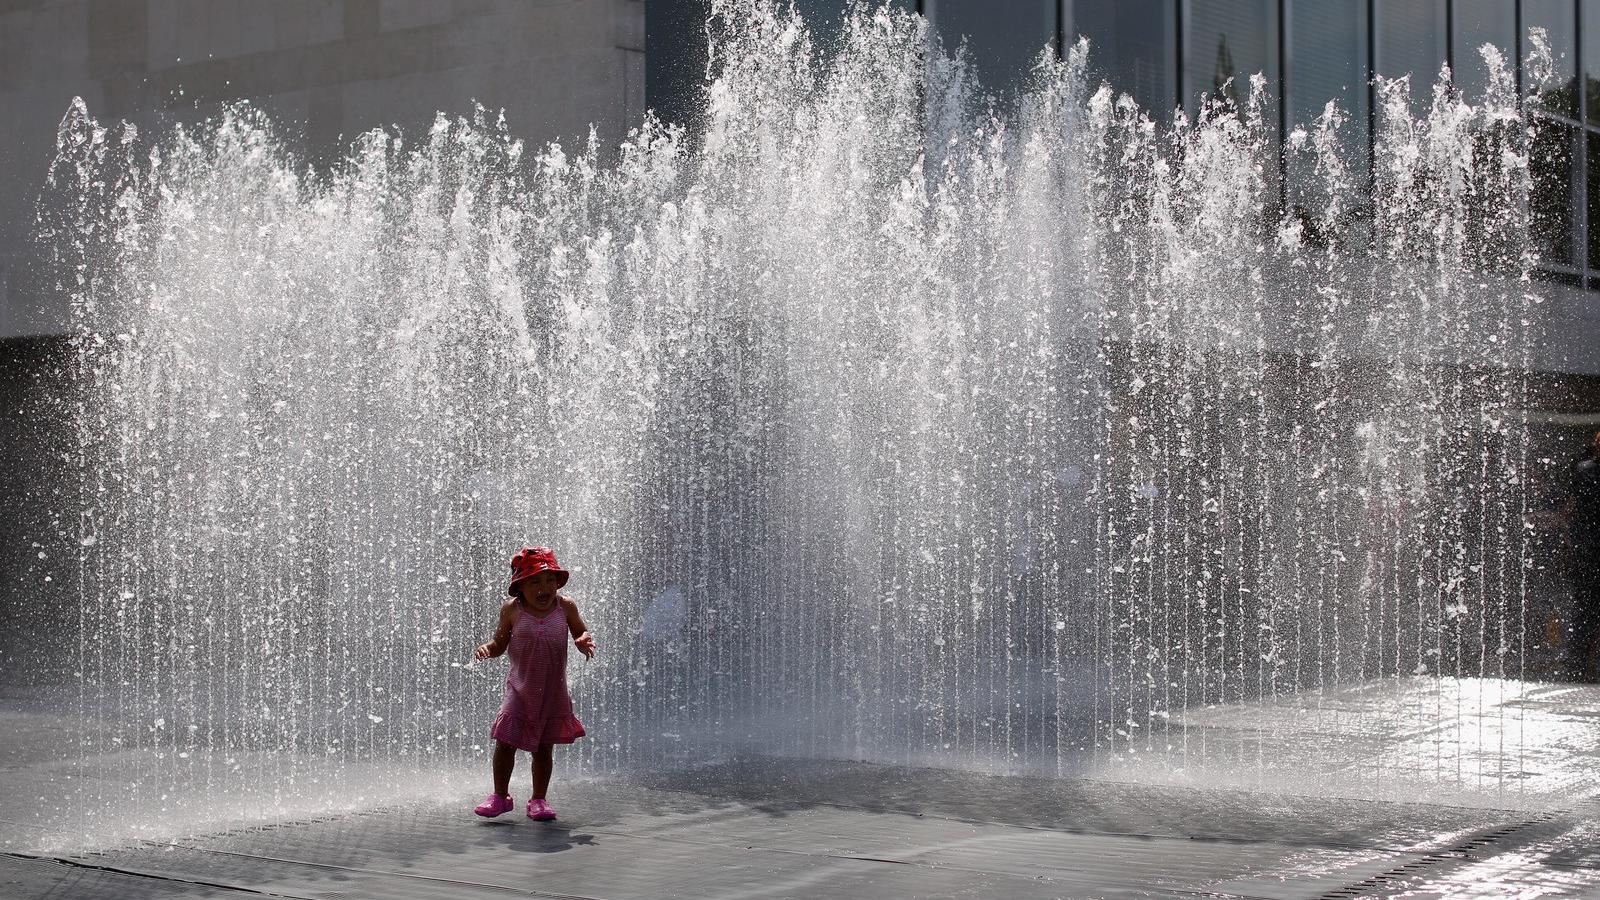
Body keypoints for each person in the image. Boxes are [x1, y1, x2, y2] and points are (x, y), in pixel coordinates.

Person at [472, 546, 597, 820]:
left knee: (543, 747)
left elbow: (580, 630)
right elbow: (499, 644)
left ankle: (538, 799)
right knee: (505, 742)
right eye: (536, 581)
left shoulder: (565, 607)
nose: (545, 587)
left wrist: (582, 640)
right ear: (520, 586)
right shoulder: (512, 610)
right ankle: (500, 796)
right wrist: (487, 649)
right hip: (519, 688)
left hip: (552, 692)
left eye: (550, 579)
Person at [1568, 432, 1600, 680]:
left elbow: (1572, 508)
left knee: (1585, 610)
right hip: (1588, 549)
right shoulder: (1585, 470)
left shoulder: (1583, 470)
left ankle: (1577, 667)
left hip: (1586, 549)